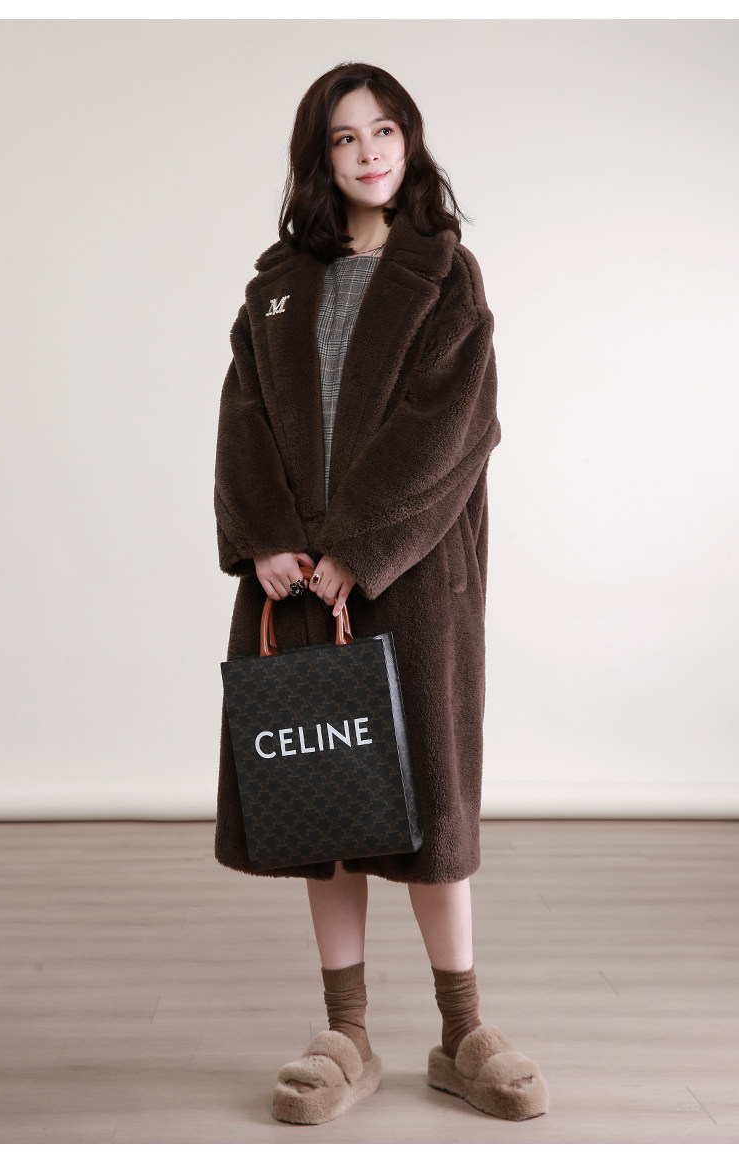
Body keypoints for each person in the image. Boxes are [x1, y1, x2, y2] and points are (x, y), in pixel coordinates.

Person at [213, 62, 548, 1124]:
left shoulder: (445, 274)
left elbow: (452, 425)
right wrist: (266, 538)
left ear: (411, 141)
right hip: (296, 579)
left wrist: (362, 547)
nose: (369, 152)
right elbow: (244, 415)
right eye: (346, 137)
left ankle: (463, 1030)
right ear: (319, 159)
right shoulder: (275, 284)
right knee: (327, 794)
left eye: (386, 130)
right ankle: (347, 1033)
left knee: (430, 801)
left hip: (411, 576)